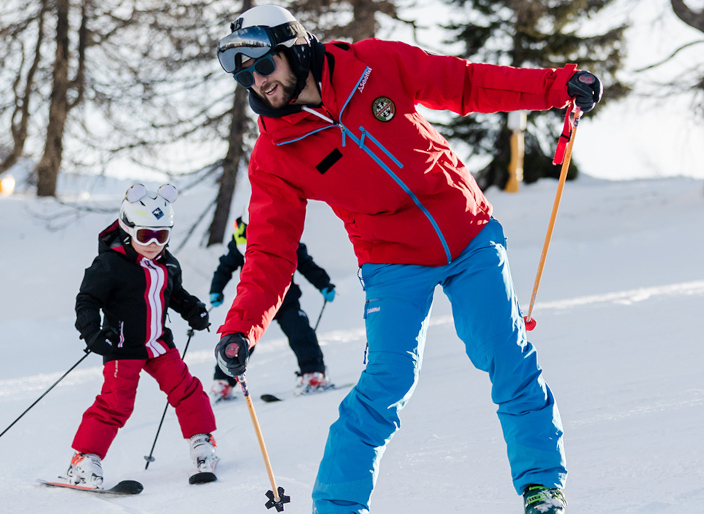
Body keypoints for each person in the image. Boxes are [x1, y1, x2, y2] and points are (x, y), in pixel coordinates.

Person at [213, 5, 603, 514]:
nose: (257, 83)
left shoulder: (373, 65)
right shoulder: (276, 153)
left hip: (467, 232)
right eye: (244, 75)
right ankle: (337, 506)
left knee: (507, 357)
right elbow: (270, 250)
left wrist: (557, 86)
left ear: (295, 49)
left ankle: (541, 486)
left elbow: (465, 84)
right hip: (391, 260)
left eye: (263, 66)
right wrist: (241, 327)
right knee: (386, 383)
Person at [67, 183, 218, 488]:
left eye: (161, 235)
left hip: (159, 343)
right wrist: (92, 334)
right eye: (145, 235)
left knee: (186, 390)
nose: (152, 243)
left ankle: (203, 442)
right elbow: (87, 299)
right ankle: (84, 460)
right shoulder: (110, 264)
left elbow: (173, 294)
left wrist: (193, 309)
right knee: (116, 403)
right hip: (123, 345)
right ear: (127, 229)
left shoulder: (168, 264)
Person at [208, 211, 336, 402]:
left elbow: (306, 264)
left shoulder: (284, 235)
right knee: (241, 339)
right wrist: (216, 289)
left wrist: (324, 283)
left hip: (286, 299)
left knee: (301, 333)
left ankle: (312, 373)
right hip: (256, 301)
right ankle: (223, 382)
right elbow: (225, 266)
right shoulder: (239, 240)